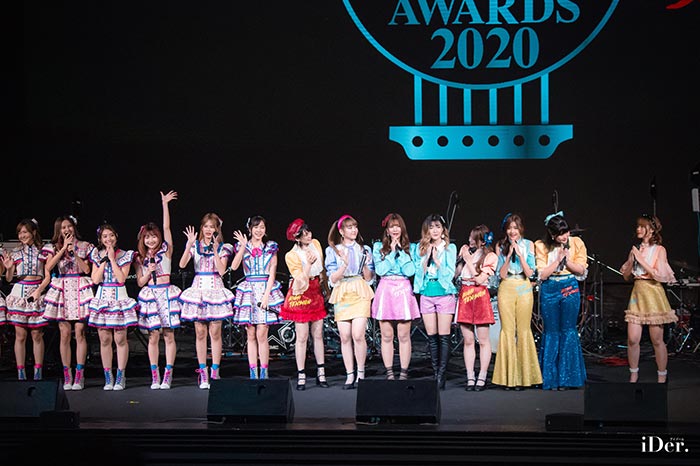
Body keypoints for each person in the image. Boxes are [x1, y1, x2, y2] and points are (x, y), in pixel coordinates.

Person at [179, 213, 234, 389]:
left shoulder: (223, 247)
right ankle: (203, 371)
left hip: (215, 288)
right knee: (200, 332)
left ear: (217, 229)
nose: (209, 230)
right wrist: (189, 244)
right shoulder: (195, 246)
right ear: (202, 228)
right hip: (199, 289)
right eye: (206, 226)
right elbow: (182, 264)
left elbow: (222, 270)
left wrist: (216, 250)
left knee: (215, 332)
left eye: (213, 227)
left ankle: (215, 371)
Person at [620, 214, 677, 384]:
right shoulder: (636, 249)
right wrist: (632, 260)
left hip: (653, 293)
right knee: (632, 338)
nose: (638, 229)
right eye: (637, 226)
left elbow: (659, 275)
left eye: (642, 226)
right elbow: (626, 276)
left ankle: (662, 375)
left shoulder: (659, 250)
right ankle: (633, 374)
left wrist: (641, 260)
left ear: (651, 230)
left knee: (657, 339)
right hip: (638, 293)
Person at [534, 212, 588, 390]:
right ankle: (550, 378)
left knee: (568, 329)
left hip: (569, 287)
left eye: (566, 232)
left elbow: (581, 270)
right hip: (550, 288)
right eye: (560, 234)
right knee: (551, 331)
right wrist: (557, 260)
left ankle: (568, 378)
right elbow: (542, 274)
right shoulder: (540, 245)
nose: (565, 236)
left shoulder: (577, 243)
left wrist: (567, 261)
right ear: (552, 234)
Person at [135, 190, 182, 390]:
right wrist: (148, 272)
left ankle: (168, 374)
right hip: (151, 294)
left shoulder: (166, 251)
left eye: (154, 237)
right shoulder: (139, 257)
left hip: (166, 293)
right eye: (147, 237)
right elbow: (140, 282)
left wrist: (165, 204)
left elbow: (167, 227)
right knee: (153, 336)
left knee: (168, 335)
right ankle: (155, 375)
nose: (151, 240)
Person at [42, 215, 95, 390]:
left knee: (80, 332)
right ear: (59, 230)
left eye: (69, 226)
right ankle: (67, 373)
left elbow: (86, 269)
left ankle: (80, 374)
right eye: (63, 227)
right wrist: (64, 248)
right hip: (63, 288)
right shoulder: (52, 247)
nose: (67, 230)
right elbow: (48, 267)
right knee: (64, 333)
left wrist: (74, 253)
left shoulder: (85, 246)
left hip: (79, 286)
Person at [491, 213, 543, 390]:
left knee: (523, 330)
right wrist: (507, 256)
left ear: (521, 229)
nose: (512, 231)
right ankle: (508, 378)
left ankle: (524, 377)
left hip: (523, 286)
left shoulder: (529, 244)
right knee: (507, 330)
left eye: (515, 227)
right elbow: (501, 274)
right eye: (509, 228)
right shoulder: (500, 245)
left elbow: (530, 273)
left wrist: (520, 255)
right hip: (506, 287)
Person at [231, 216, 285, 379]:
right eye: (256, 227)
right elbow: (234, 266)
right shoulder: (243, 246)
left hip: (264, 289)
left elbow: (272, 273)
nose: (259, 230)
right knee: (250, 333)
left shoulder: (270, 247)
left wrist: (267, 296)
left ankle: (264, 371)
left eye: (262, 227)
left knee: (262, 333)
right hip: (249, 291)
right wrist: (242, 246)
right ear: (250, 229)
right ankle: (253, 371)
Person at [325, 214, 375, 389]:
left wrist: (366, 264)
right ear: (341, 231)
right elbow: (332, 278)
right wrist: (344, 265)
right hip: (342, 291)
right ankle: (349, 374)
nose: (354, 230)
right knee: (345, 336)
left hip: (359, 289)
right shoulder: (333, 250)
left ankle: (361, 373)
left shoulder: (364, 249)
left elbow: (369, 278)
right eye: (349, 227)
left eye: (355, 226)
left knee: (358, 334)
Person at [280, 218, 329, 390]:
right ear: (297, 238)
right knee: (302, 336)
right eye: (304, 234)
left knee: (318, 334)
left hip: (316, 290)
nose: (309, 235)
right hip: (301, 292)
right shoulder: (291, 255)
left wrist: (326, 289)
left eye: (309, 232)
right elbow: (300, 280)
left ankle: (321, 373)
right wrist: (308, 264)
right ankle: (301, 375)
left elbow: (322, 270)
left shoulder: (316, 244)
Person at [88, 223, 139, 390]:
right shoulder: (96, 255)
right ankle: (107, 376)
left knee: (120, 338)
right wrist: (104, 260)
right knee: (104, 339)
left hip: (119, 297)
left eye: (111, 235)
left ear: (116, 236)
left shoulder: (125, 255)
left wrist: (112, 259)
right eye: (104, 236)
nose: (108, 239)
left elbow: (121, 279)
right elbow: (95, 280)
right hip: (102, 298)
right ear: (100, 239)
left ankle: (120, 375)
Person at [371, 213, 420, 381]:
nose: (395, 229)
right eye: (392, 226)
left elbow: (410, 271)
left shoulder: (411, 247)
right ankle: (390, 372)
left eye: (398, 226)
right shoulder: (378, 247)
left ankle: (404, 372)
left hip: (403, 289)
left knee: (404, 335)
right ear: (387, 230)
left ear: (402, 228)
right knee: (386, 335)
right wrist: (391, 253)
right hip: (385, 289)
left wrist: (401, 252)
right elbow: (380, 270)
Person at [411, 214, 457, 390]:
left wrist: (437, 261)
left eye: (438, 227)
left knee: (443, 336)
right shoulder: (421, 248)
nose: (435, 230)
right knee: (431, 336)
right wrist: (426, 258)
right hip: (427, 293)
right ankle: (435, 372)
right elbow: (417, 272)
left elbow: (450, 273)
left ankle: (442, 375)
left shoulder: (450, 248)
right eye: (431, 227)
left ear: (443, 229)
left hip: (444, 293)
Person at [2, 219, 50, 380]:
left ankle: (38, 371)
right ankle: (20, 372)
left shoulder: (44, 251)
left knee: (37, 334)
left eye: (25, 232)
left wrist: (39, 291)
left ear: (33, 232)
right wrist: (9, 268)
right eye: (20, 233)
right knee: (20, 335)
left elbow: (47, 275)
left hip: (37, 291)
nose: (22, 235)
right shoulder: (15, 252)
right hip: (20, 292)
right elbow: (9, 279)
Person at [454, 224, 497, 391]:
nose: (470, 240)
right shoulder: (466, 253)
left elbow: (479, 280)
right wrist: (460, 258)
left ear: (482, 241)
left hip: (479, 295)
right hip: (465, 294)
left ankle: (482, 376)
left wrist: (468, 260)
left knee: (483, 340)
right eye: (470, 237)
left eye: (474, 238)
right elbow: (456, 275)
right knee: (468, 340)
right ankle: (470, 376)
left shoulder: (490, 256)